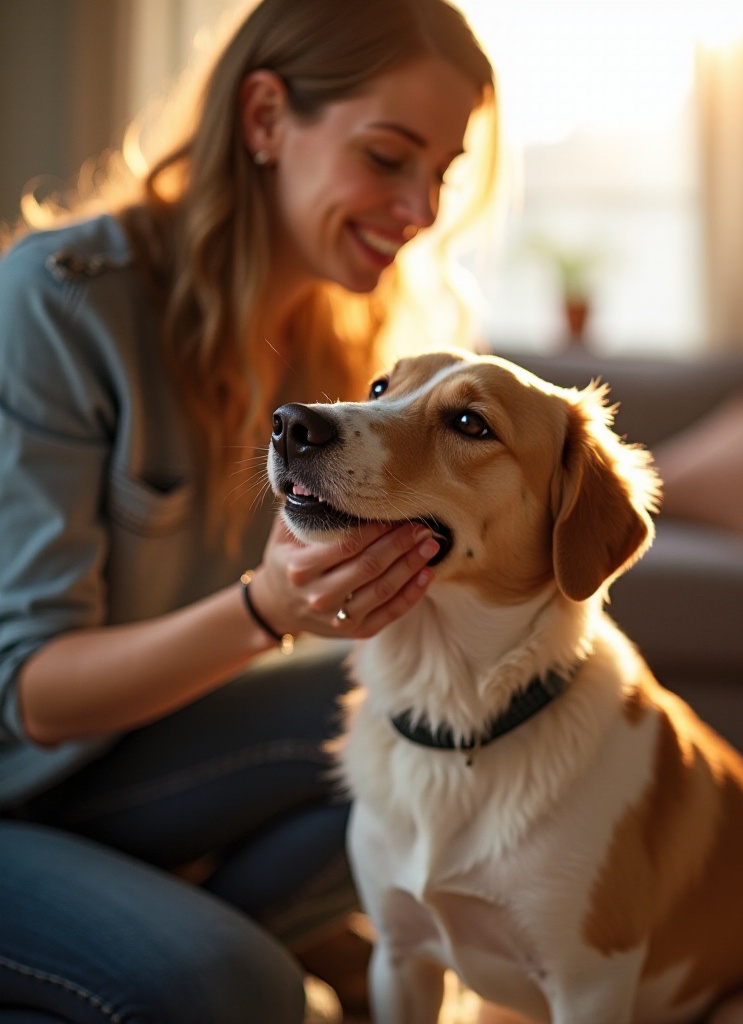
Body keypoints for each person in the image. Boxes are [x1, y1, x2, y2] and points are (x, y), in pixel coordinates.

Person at [0, 0, 501, 1020]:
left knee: (458, 734)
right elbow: (33, 693)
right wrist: (265, 609)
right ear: (266, 117)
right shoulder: (59, 302)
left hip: (149, 775)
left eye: (441, 174)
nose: (419, 210)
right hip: (21, 787)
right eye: (388, 156)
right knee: (241, 986)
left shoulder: (354, 347)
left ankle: (171, 948)